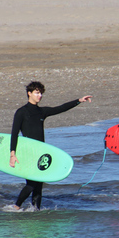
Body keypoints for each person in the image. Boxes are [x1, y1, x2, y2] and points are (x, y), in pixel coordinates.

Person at [9, 81, 92, 210]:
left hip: (41, 153)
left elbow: (60, 108)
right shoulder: (21, 112)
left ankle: (36, 210)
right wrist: (12, 154)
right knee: (32, 183)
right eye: (37, 93)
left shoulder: (41, 112)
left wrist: (79, 100)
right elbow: (14, 133)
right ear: (29, 93)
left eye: (41, 93)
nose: (39, 96)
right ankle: (16, 206)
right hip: (28, 152)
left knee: (39, 185)